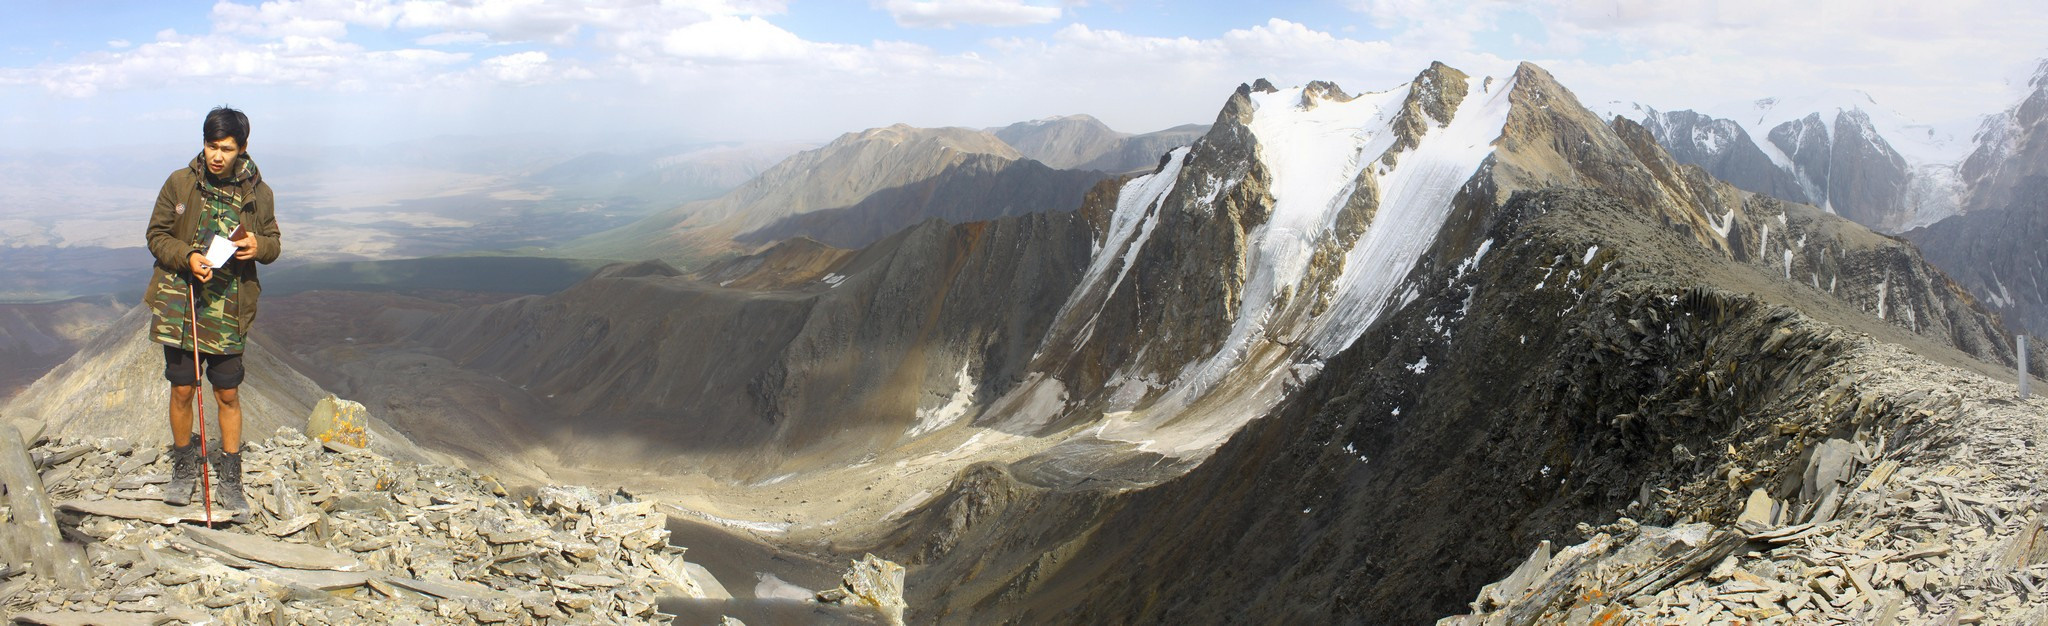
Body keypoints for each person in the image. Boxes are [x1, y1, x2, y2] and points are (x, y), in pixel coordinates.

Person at [143, 106, 281, 512]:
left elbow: (273, 241)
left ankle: (231, 478)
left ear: (243, 148)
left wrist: (260, 246)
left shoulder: (259, 194)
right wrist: (187, 256)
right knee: (182, 388)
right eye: (210, 146)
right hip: (181, 302)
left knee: (227, 394)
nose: (217, 155)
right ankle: (184, 468)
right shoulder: (180, 183)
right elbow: (156, 235)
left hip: (228, 307)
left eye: (226, 148)